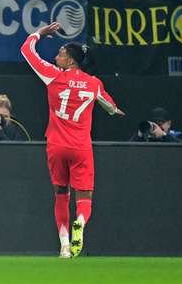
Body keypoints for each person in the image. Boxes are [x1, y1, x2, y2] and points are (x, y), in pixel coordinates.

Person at [20, 22, 125, 259]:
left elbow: (26, 51)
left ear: (70, 61)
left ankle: (65, 246)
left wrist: (39, 33)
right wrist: (116, 111)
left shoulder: (53, 76)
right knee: (84, 196)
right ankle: (80, 222)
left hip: (56, 145)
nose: (57, 55)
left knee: (60, 193)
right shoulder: (93, 83)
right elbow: (109, 106)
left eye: (61, 53)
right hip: (81, 146)